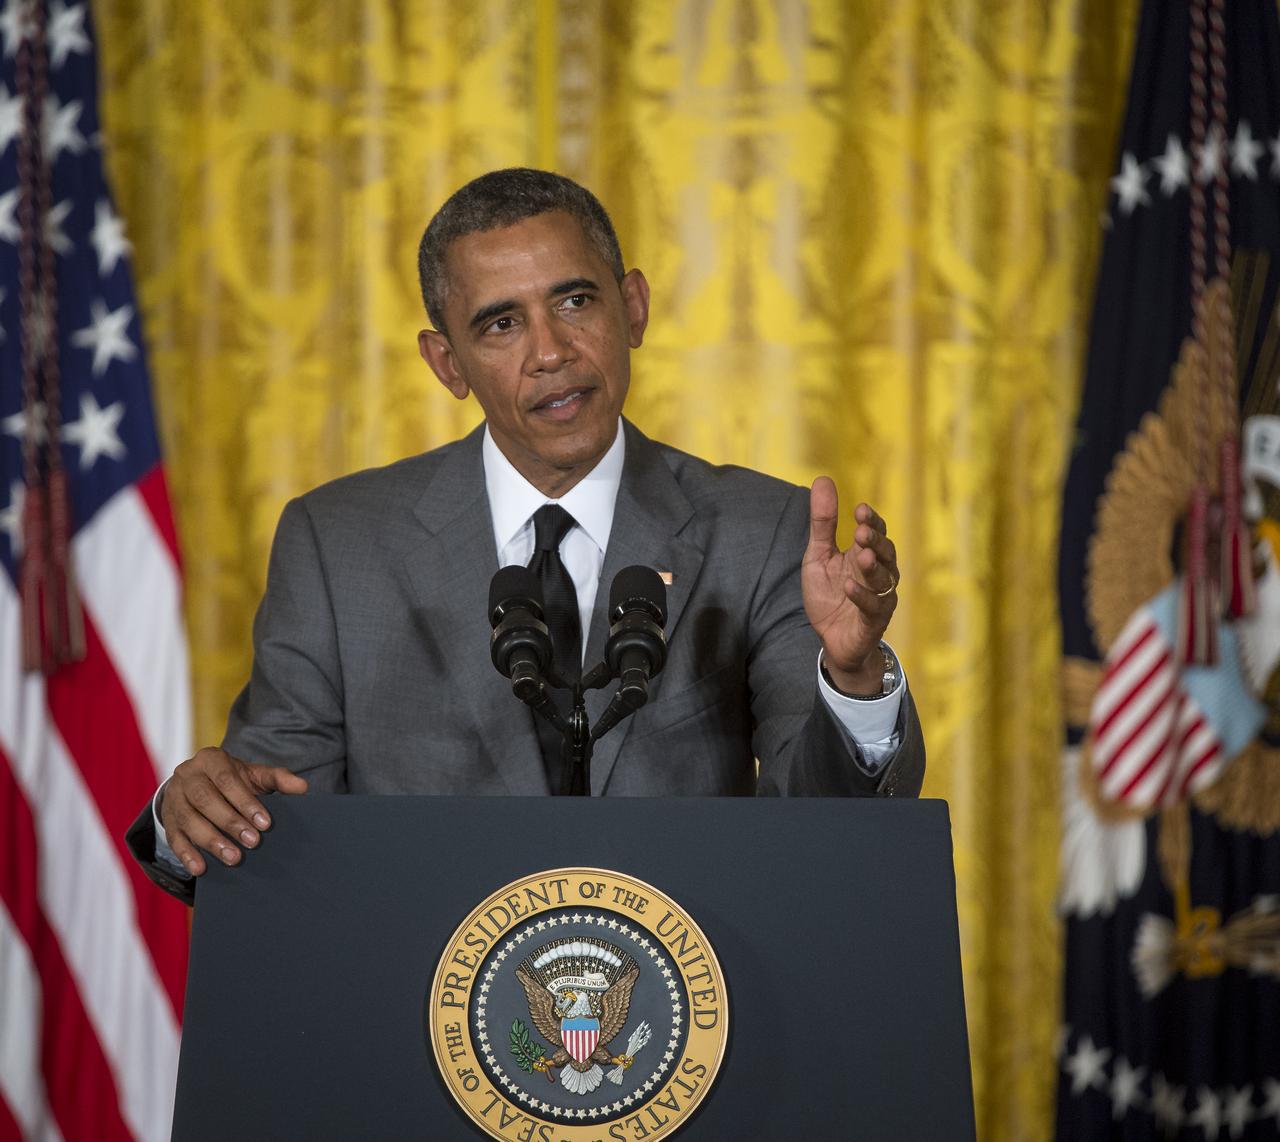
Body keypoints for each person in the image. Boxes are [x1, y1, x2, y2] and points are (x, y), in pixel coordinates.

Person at [127, 169, 924, 904]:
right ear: (448, 364)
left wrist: (852, 679)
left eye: (576, 301)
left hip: (692, 1015)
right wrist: (189, 815)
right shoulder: (339, 547)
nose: (550, 352)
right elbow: (276, 824)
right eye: (501, 324)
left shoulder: (759, 530)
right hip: (423, 1023)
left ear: (634, 308)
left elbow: (829, 827)